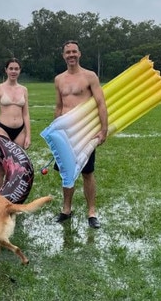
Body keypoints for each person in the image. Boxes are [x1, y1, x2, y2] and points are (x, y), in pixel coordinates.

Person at [53, 40, 108, 229]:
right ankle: (66, 209)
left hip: (85, 131)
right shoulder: (59, 79)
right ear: (63, 55)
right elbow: (59, 106)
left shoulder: (90, 76)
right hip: (66, 132)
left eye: (74, 51)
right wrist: (55, 129)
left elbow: (101, 103)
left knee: (87, 173)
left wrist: (104, 129)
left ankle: (91, 212)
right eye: (67, 52)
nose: (71, 55)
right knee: (67, 173)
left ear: (79, 54)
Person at [0, 58, 31, 191]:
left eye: (16, 69)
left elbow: (26, 114)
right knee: (0, 168)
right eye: (11, 68)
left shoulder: (24, 90)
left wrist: (28, 136)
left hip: (20, 131)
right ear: (6, 70)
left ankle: (12, 200)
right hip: (3, 129)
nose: (13, 71)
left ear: (20, 71)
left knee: (17, 168)